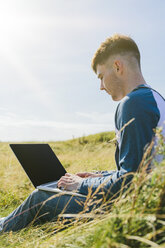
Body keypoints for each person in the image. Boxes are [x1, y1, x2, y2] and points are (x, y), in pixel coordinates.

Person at [0, 34, 165, 233]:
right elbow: (141, 169)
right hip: (150, 202)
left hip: (133, 210)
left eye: (101, 76)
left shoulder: (133, 103)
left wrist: (82, 184)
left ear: (117, 67)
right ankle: (7, 221)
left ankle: (3, 227)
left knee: (41, 196)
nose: (101, 86)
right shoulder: (155, 98)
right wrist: (99, 177)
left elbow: (129, 181)